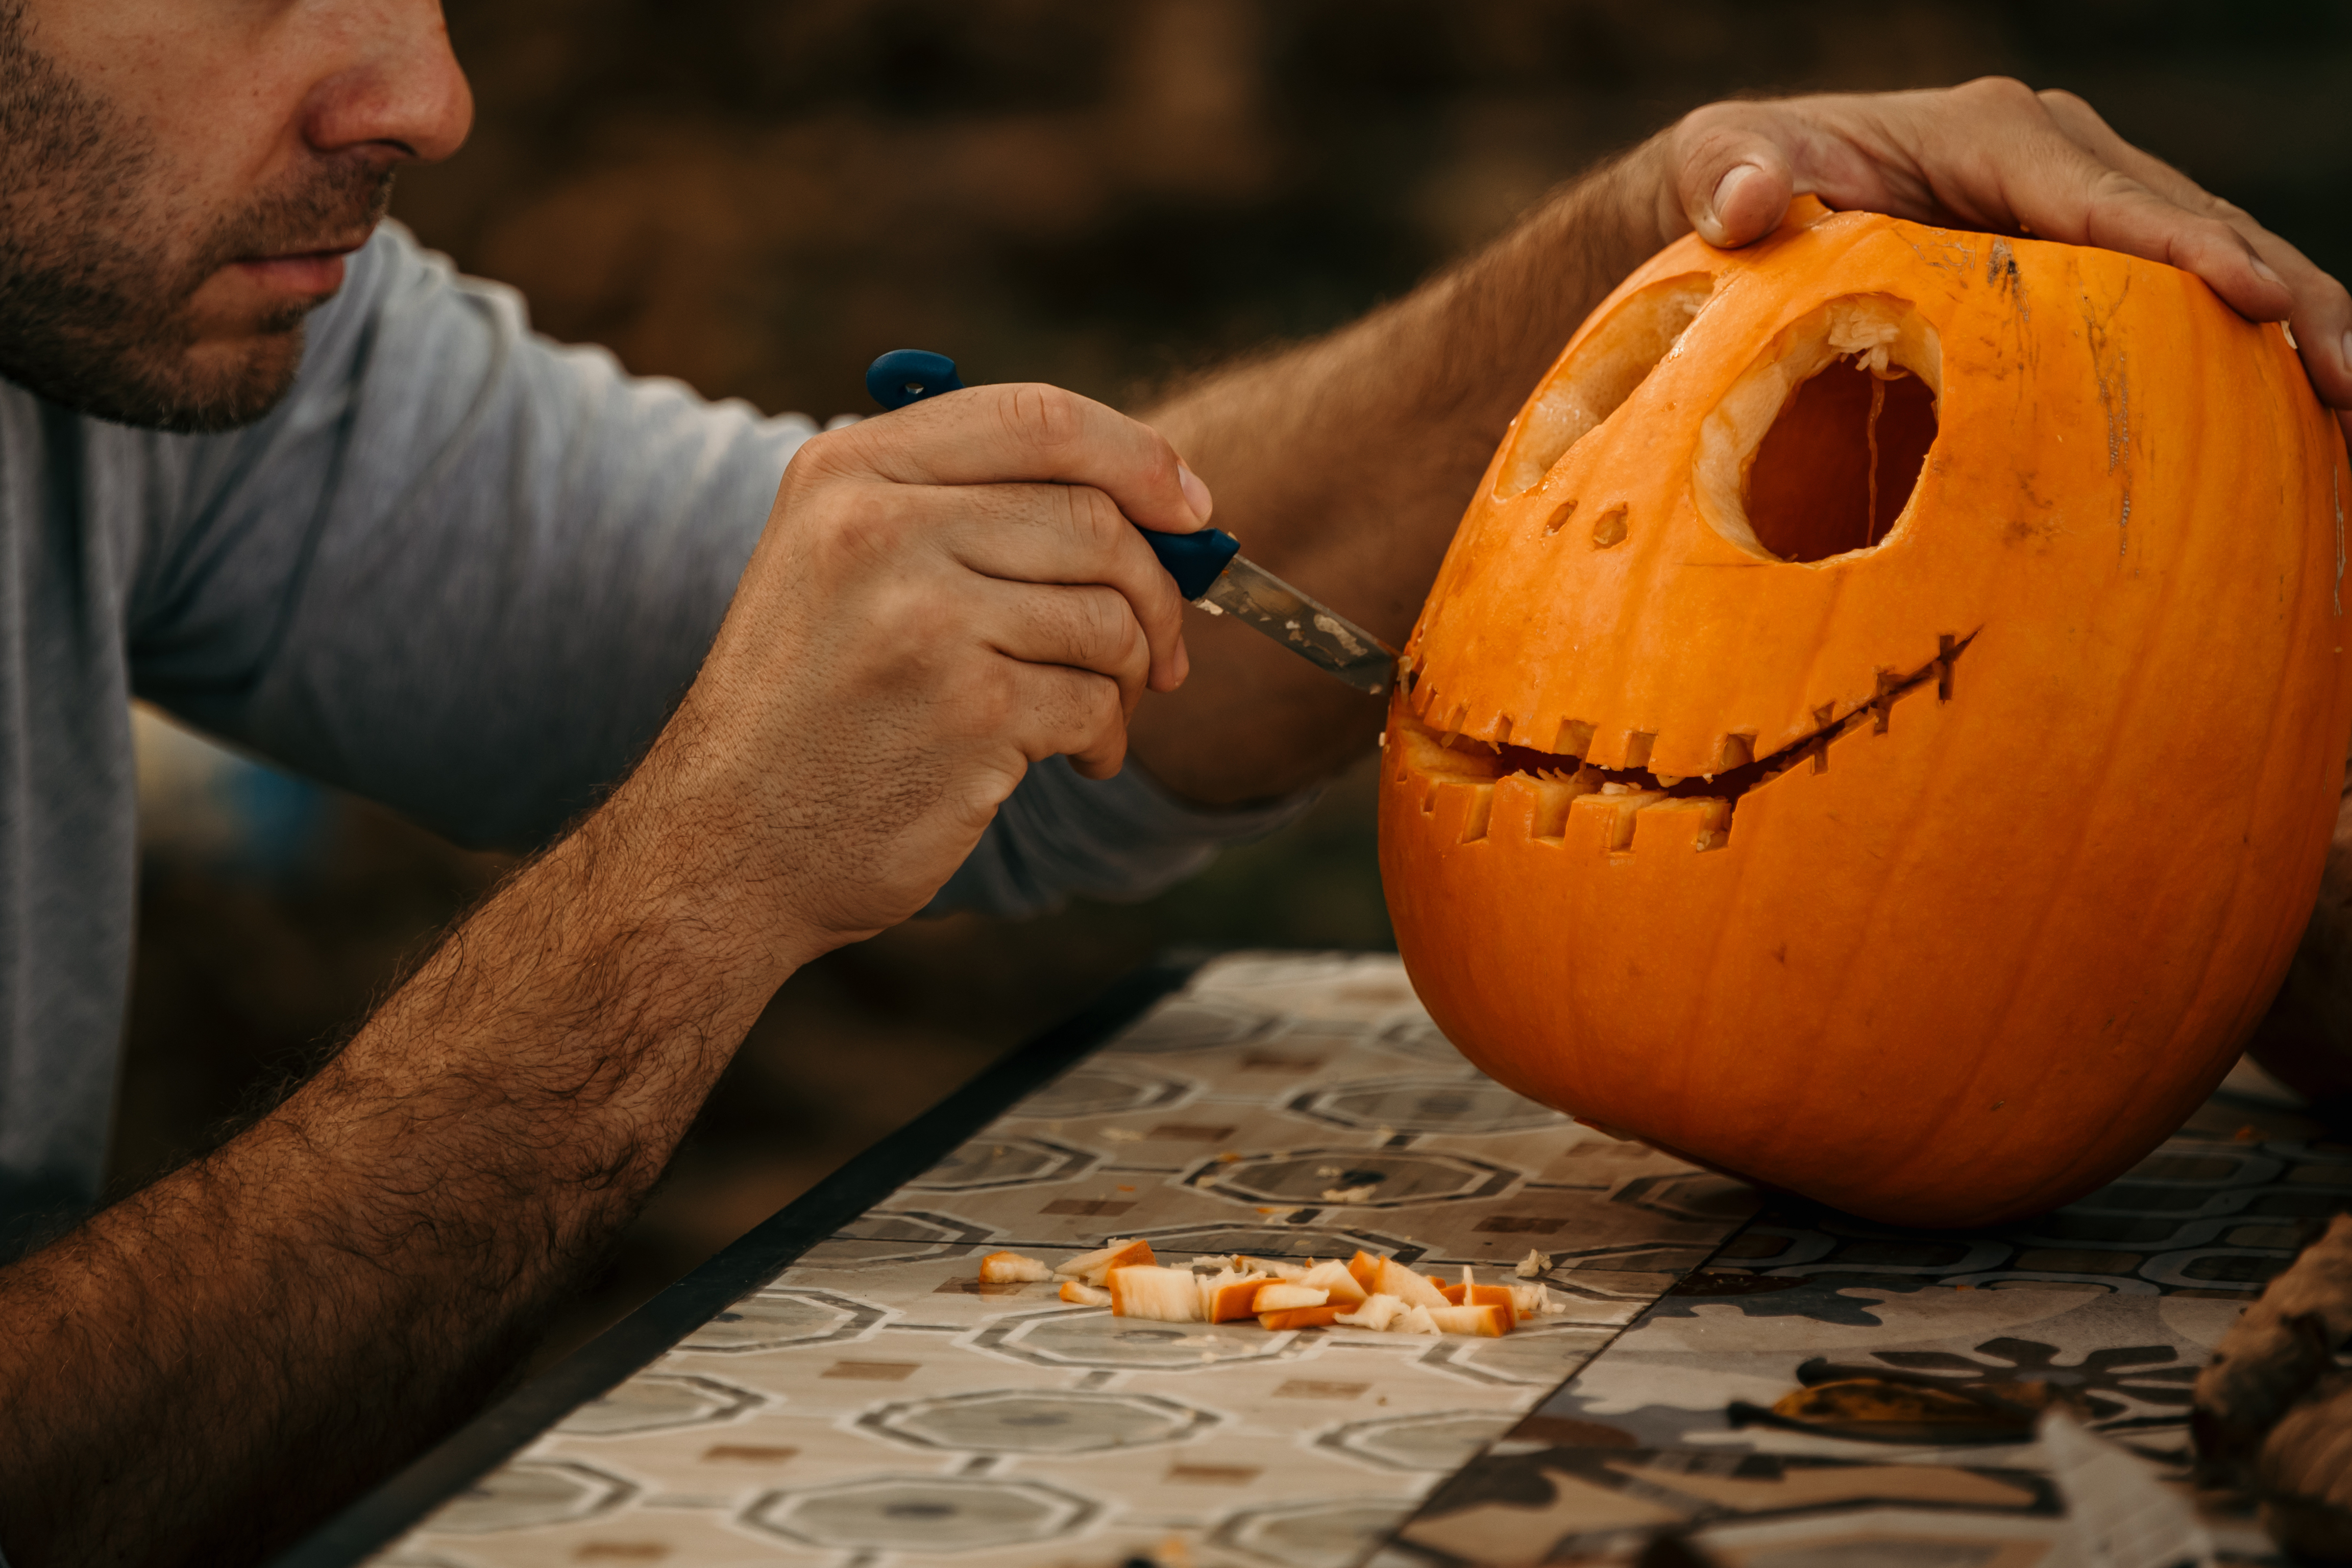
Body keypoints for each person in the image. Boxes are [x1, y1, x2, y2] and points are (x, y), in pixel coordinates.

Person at [0, 3, 2344, 1563]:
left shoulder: (183, 336)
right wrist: (692, 891)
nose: (423, 92)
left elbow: (1039, 689)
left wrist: (1636, 253)